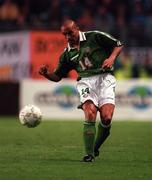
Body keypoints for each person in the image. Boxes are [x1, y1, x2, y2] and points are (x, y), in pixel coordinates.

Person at [39, 20, 123, 162]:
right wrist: (46, 74)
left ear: (77, 29)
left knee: (107, 117)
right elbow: (57, 76)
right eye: (64, 35)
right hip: (85, 82)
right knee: (90, 113)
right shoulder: (66, 54)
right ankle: (88, 154)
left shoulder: (94, 36)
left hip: (105, 78)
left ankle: (95, 148)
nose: (67, 37)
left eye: (70, 33)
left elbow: (118, 44)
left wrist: (111, 58)